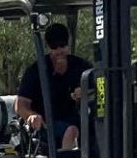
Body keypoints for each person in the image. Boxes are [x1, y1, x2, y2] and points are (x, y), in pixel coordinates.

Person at [16, 23, 88, 151]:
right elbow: (21, 104)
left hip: (78, 119)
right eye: (54, 47)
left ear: (68, 44)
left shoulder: (81, 66)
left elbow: (101, 86)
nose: (59, 50)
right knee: (71, 130)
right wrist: (31, 115)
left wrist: (86, 91)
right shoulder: (36, 71)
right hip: (46, 123)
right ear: (48, 48)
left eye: (63, 45)